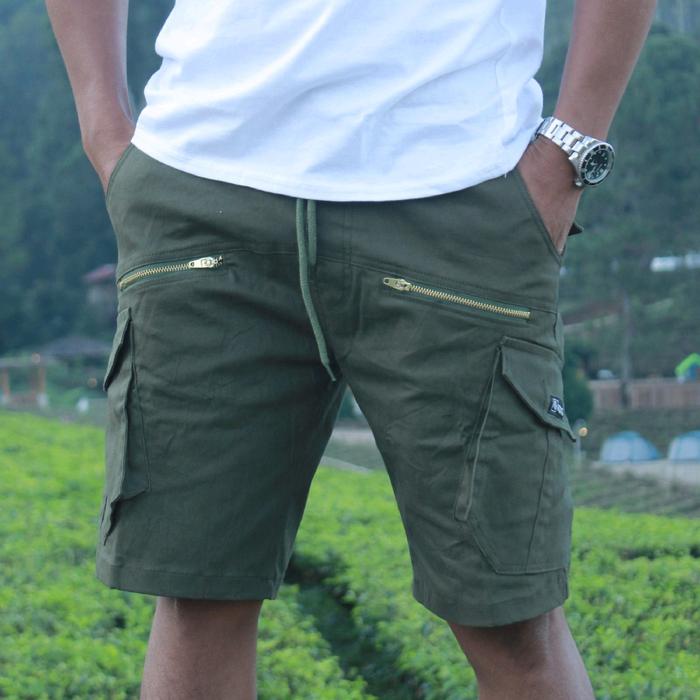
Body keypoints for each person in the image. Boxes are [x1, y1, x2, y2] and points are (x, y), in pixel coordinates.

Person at [45, 1, 655, 697]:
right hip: (203, 185)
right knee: (196, 598)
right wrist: (103, 128)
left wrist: (569, 154)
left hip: (458, 188)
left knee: (513, 619)